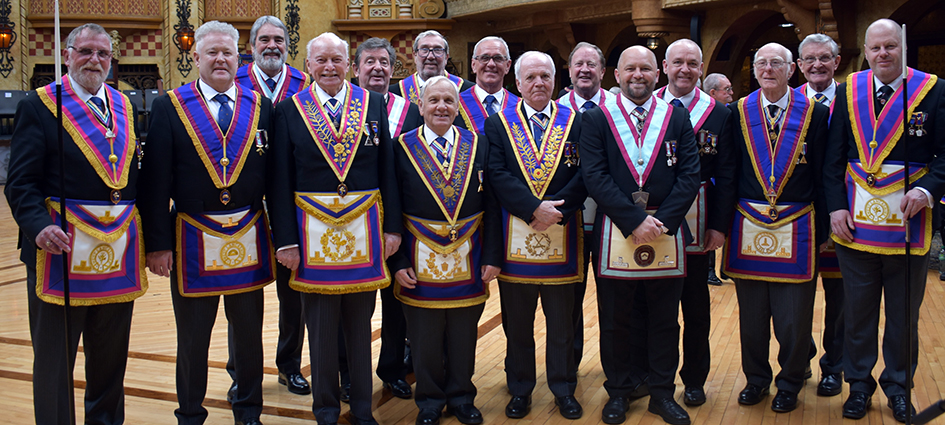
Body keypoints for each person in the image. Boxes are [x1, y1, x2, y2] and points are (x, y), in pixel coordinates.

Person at [5, 23, 145, 425]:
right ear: (67, 55)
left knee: (110, 358)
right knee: (55, 360)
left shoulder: (124, 105)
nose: (94, 60)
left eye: (103, 53)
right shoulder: (40, 105)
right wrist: (37, 227)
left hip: (116, 250)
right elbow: (20, 182)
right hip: (59, 251)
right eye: (85, 51)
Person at [140, 21, 275, 425]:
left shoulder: (260, 106)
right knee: (193, 339)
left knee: (249, 336)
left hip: (248, 234)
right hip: (191, 238)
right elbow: (154, 182)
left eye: (227, 52)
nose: (220, 59)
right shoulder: (170, 105)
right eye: (212, 52)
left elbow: (274, 178)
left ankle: (248, 410)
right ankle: (190, 413)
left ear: (239, 58)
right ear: (195, 57)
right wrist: (157, 245)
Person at [268, 32, 401, 425]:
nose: (329, 67)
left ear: (348, 65)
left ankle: (362, 408)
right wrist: (286, 241)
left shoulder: (372, 104)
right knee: (322, 331)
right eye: (321, 60)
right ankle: (325, 409)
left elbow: (387, 171)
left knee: (360, 329)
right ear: (308, 65)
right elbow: (279, 182)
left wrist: (392, 229)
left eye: (336, 60)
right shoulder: (289, 111)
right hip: (311, 240)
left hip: (365, 236)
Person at [825, 18, 945, 422]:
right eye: (875, 48)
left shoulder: (933, 90)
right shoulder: (849, 91)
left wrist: (927, 189)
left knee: (902, 317)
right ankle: (858, 386)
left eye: (890, 46)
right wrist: (835, 207)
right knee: (857, 314)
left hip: (909, 225)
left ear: (903, 47)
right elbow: (833, 157)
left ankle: (898, 387)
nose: (882, 54)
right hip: (855, 225)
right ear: (865, 51)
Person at [581, 45, 700, 425]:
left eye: (645, 69)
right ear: (616, 75)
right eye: (630, 69)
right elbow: (594, 176)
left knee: (665, 319)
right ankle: (619, 391)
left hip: (665, 229)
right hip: (616, 230)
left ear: (657, 74)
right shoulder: (597, 118)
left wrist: (660, 221)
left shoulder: (676, 117)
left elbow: (690, 175)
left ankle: (662, 394)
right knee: (615, 319)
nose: (638, 75)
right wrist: (634, 220)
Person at [719, 42, 829, 414]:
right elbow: (728, 173)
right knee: (751, 317)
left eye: (776, 63)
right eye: (761, 63)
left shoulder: (816, 113)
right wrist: (720, 226)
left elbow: (823, 175)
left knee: (793, 318)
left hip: (798, 227)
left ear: (791, 69)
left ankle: (790, 382)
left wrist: (824, 229)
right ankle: (756, 379)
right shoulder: (737, 112)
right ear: (754, 70)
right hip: (748, 225)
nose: (768, 69)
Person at [390, 75, 502, 425]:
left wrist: (492, 256)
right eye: (434, 100)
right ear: (420, 106)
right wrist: (397, 261)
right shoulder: (400, 147)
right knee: (423, 336)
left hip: (470, 255)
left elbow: (493, 204)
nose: (441, 107)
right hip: (417, 257)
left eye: (448, 101)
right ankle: (428, 401)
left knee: (463, 334)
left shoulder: (479, 144)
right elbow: (391, 207)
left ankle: (462, 398)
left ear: (458, 107)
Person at [485, 51, 586, 421]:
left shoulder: (576, 121)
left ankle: (564, 388)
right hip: (515, 238)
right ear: (517, 83)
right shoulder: (498, 124)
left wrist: (556, 211)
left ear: (556, 80)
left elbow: (587, 173)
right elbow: (497, 174)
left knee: (562, 323)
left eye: (545, 76)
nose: (538, 83)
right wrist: (532, 208)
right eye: (530, 77)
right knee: (518, 325)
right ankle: (520, 389)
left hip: (564, 233)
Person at [227, 14, 312, 400]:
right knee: (242, 296)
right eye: (264, 40)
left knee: (293, 296)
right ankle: (240, 371)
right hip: (246, 209)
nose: (272, 46)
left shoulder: (304, 84)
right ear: (251, 47)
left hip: (293, 208)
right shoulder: (234, 82)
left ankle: (289, 365)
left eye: (278, 40)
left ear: (287, 47)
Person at [653, 38, 734, 407]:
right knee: (654, 306)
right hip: (652, 223)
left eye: (692, 63)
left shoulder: (719, 113)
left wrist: (719, 225)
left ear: (701, 69)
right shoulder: (648, 105)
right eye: (677, 62)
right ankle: (653, 376)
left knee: (696, 308)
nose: (684, 69)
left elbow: (727, 174)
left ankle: (695, 379)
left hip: (698, 222)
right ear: (665, 67)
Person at [348, 36, 423, 401]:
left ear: (394, 70)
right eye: (370, 62)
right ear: (356, 68)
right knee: (354, 306)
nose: (377, 68)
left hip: (399, 221)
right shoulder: (342, 108)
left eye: (384, 63)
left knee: (396, 304)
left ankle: (392, 370)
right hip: (351, 222)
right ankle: (349, 374)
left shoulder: (410, 111)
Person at [794, 32, 845, 398]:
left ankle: (834, 366)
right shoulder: (789, 101)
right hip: (798, 217)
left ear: (836, 62)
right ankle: (800, 356)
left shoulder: (853, 101)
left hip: (842, 214)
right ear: (799, 65)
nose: (817, 65)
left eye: (824, 57)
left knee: (840, 299)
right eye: (809, 59)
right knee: (796, 298)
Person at [556, 41, 609, 373]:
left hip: (611, 222)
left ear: (602, 71)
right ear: (570, 70)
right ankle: (568, 369)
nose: (585, 70)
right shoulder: (555, 111)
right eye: (579, 64)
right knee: (568, 303)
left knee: (615, 301)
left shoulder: (617, 108)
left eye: (592, 64)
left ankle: (617, 369)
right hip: (568, 222)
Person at [389, 30, 474, 104]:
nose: (430, 56)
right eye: (424, 49)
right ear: (415, 56)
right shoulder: (394, 94)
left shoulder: (467, 91)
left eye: (437, 50)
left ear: (446, 57)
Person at [455, 36, 519, 133]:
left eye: (498, 58)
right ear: (473, 65)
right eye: (484, 58)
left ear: (508, 66)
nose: (491, 64)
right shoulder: (455, 105)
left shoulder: (519, 107)